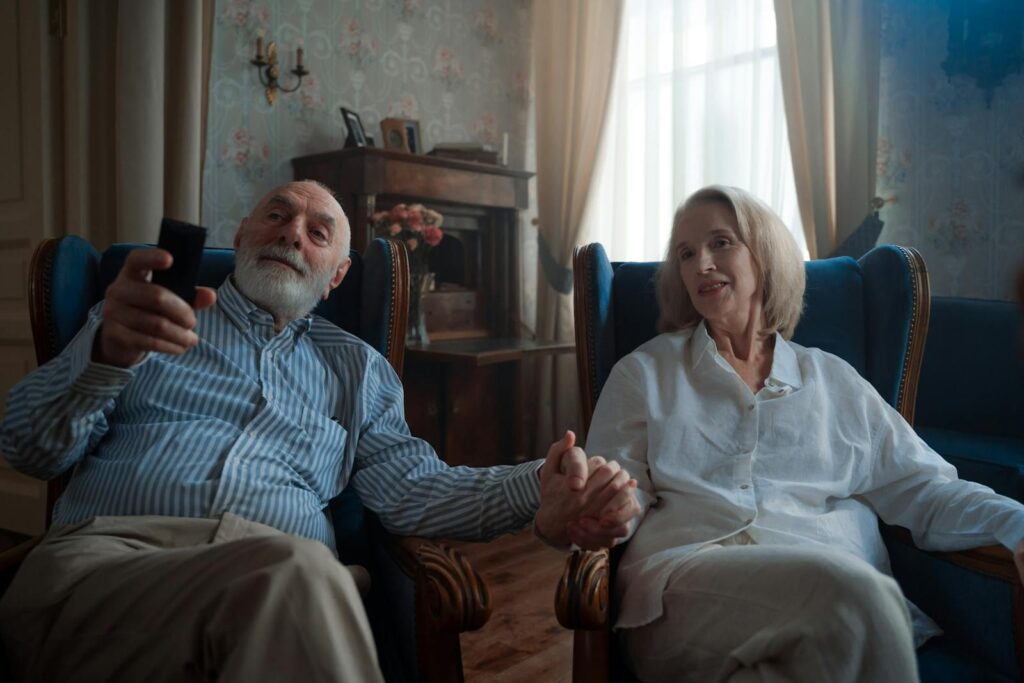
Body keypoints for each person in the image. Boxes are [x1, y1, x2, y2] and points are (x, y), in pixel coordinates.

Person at [0, 180, 641, 682]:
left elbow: (415, 489)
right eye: (276, 216)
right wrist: (104, 360)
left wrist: (539, 485)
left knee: (294, 578)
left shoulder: (357, 368)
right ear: (244, 234)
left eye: (317, 230)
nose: (291, 235)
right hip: (108, 567)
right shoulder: (141, 321)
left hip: (284, 591)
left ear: (336, 274)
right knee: (300, 574)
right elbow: (26, 446)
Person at [578, 185, 1024, 683]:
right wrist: (609, 507)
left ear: (764, 254)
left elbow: (925, 489)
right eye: (686, 253)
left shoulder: (834, 380)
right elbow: (616, 492)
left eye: (720, 242)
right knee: (854, 597)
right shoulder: (644, 373)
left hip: (827, 611)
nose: (701, 263)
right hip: (686, 591)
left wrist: (1017, 524)